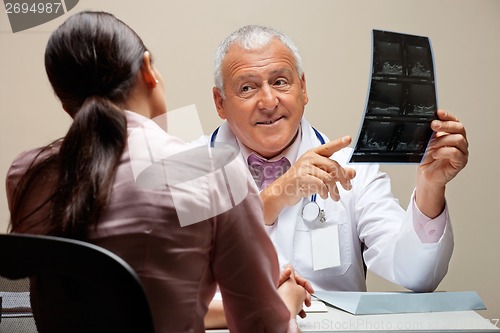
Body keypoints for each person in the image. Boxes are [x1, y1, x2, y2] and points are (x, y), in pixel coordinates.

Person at [5, 13, 309, 333]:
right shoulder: (208, 168)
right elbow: (261, 326)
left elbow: (125, 305)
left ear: (64, 99)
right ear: (148, 70)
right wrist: (286, 300)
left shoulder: (26, 173)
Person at [198, 24, 468, 315]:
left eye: (280, 82)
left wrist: (430, 186)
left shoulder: (353, 169)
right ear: (220, 103)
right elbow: (168, 281)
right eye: (247, 88)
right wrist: (275, 195)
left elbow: (417, 274)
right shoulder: (183, 164)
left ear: (303, 88)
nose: (268, 102)